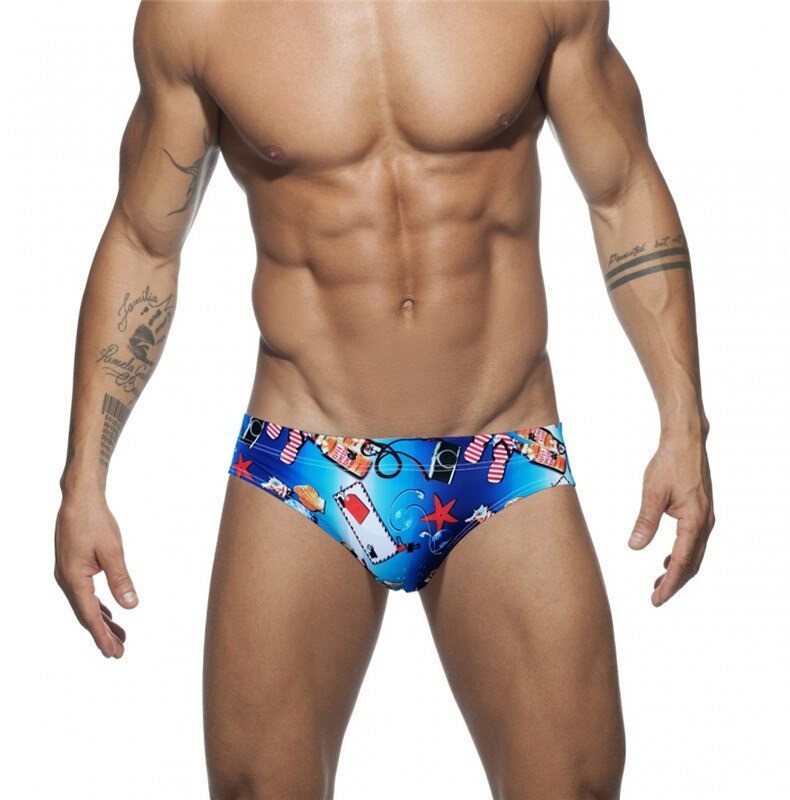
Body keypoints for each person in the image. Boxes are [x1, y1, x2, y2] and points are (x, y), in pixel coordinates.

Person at [53, 2, 715, 798]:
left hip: (498, 449)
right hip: (307, 457)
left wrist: (684, 424)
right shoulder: (202, 15)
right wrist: (83, 482)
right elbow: (144, 242)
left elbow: (623, 189)